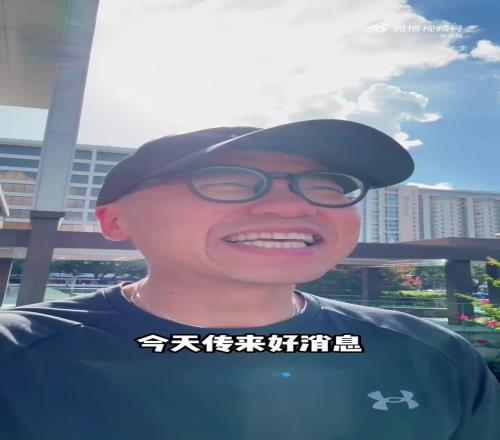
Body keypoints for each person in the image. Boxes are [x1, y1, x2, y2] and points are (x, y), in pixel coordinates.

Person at [0, 119, 498, 440]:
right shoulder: (16, 356)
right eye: (226, 181)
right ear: (114, 220)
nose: (291, 206)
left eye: (327, 186)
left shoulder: (431, 355)